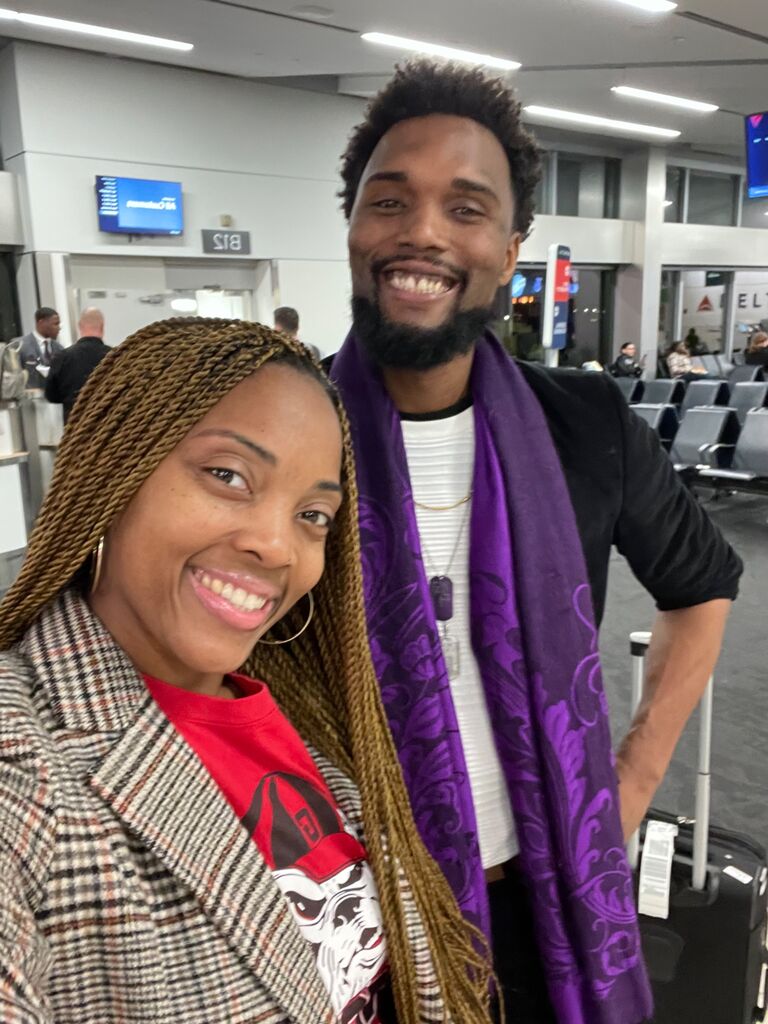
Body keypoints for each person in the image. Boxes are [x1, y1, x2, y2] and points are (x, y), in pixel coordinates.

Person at [329, 60, 742, 1024]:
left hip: (540, 885)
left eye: (466, 209)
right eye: (390, 201)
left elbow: (704, 585)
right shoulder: (290, 431)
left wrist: (632, 781)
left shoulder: (586, 422)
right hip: (346, 908)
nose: (423, 232)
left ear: (510, 248)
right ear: (353, 226)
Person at [0, 318, 495, 1024]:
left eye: (313, 514)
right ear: (114, 471)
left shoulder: (304, 718)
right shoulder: (24, 758)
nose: (276, 545)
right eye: (227, 475)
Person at [44, 307, 111, 422]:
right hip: (107, 427)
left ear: (79, 326)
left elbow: (51, 396)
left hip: (74, 428)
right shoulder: (115, 356)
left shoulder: (62, 357)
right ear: (102, 326)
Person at [18, 306, 62, 389]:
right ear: (41, 323)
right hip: (29, 399)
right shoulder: (20, 346)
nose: (59, 328)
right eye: (55, 324)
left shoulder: (60, 349)